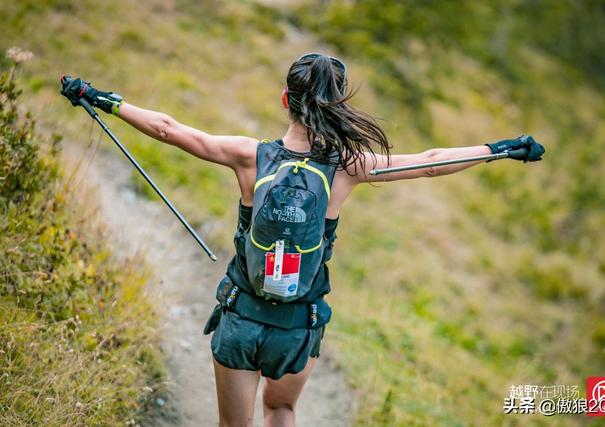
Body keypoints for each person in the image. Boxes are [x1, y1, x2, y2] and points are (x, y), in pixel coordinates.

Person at [61, 53, 544, 427]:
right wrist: (498, 150)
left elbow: (168, 129)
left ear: (285, 101)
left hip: (241, 315)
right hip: (298, 324)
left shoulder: (249, 156)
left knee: (235, 424)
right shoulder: (351, 167)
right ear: (338, 108)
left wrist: (102, 98)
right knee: (281, 412)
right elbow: (432, 161)